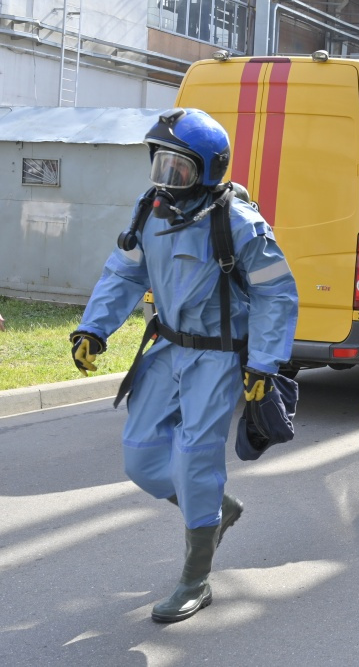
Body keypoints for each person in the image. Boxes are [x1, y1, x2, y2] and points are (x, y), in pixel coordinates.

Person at [70, 107, 298, 622]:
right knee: (140, 458)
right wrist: (93, 328)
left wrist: (264, 365)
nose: (166, 178)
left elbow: (277, 295)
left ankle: (196, 580)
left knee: (196, 459)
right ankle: (216, 508)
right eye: (161, 164)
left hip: (217, 357)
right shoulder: (149, 211)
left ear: (209, 170)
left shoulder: (238, 223)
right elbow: (124, 273)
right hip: (167, 347)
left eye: (179, 168)